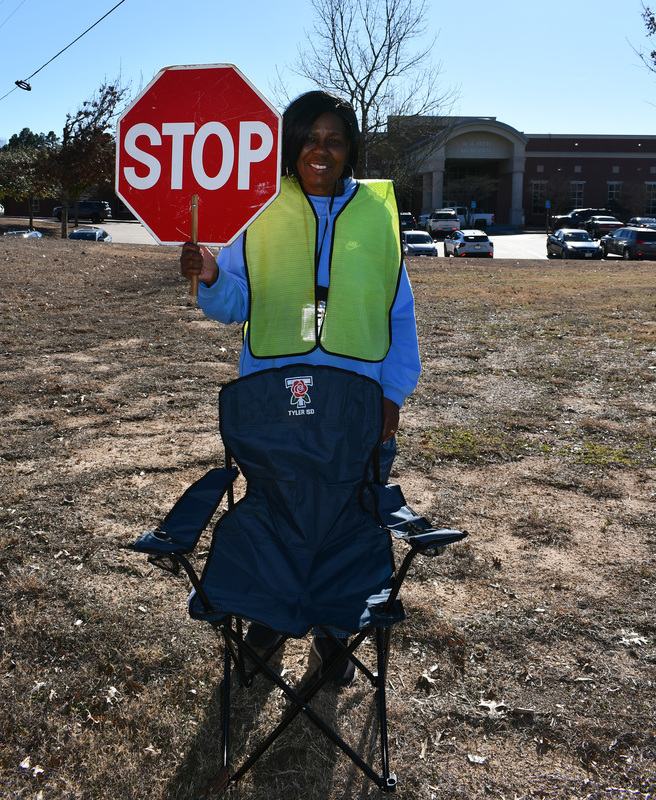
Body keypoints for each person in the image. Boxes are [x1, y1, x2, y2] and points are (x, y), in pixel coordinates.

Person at [180, 90, 420, 686]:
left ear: (350, 149)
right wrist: (211, 274)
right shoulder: (259, 209)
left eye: (334, 139)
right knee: (274, 513)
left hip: (356, 405)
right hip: (272, 403)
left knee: (347, 516)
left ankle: (336, 631)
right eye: (310, 137)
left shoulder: (376, 216)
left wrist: (392, 394)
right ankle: (265, 622)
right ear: (291, 144)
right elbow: (236, 304)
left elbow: (400, 314)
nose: (321, 149)